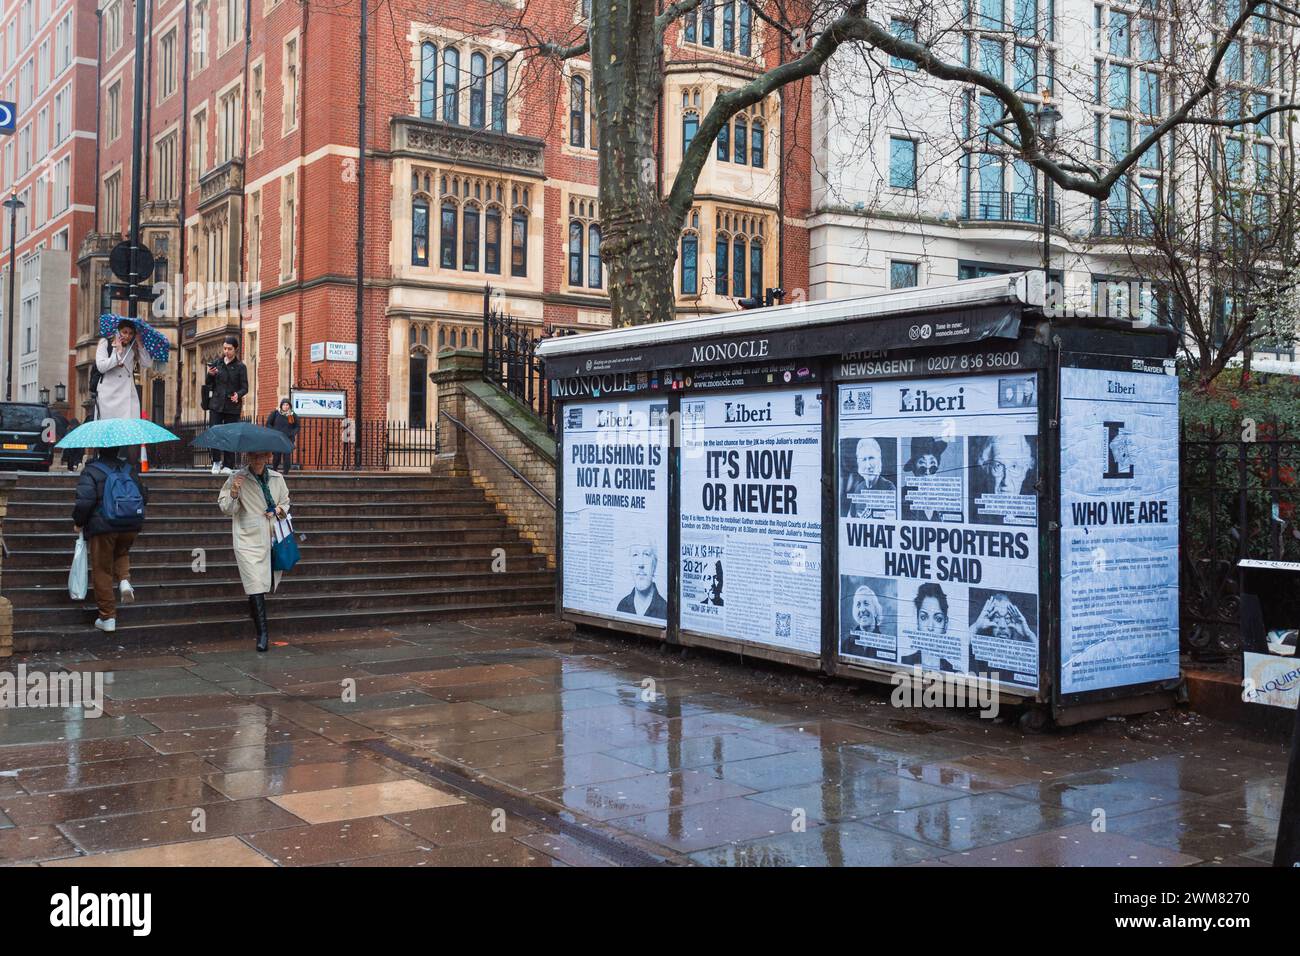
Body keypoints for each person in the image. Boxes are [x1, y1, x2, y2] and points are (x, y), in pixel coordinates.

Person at [218, 451, 289, 652]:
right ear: (248, 457)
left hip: (272, 536)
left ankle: (255, 612)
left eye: (261, 457)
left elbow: (285, 502)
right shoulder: (237, 477)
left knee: (261, 583)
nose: (257, 461)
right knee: (255, 582)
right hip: (247, 538)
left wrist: (276, 510)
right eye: (253, 457)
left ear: (267, 457)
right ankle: (263, 634)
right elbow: (226, 508)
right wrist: (233, 492)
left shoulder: (277, 478)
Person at [72, 446, 147, 633]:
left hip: (104, 526)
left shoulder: (91, 470)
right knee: (121, 552)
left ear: (98, 450)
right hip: (130, 525)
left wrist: (79, 522)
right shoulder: (129, 469)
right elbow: (144, 496)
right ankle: (123, 580)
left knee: (102, 569)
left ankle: (108, 617)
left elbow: (84, 501)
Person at [205, 335, 249, 474]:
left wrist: (238, 395)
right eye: (224, 348)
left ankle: (229, 464)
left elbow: (245, 387)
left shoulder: (241, 367)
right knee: (215, 432)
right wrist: (210, 375)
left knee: (230, 434)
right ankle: (216, 462)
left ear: (235, 349)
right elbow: (208, 384)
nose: (226, 351)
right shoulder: (217, 363)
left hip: (232, 406)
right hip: (216, 404)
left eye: (229, 349)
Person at [900, 582, 956, 671]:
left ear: (946, 625)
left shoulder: (953, 671)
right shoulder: (903, 663)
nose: (930, 627)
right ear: (917, 622)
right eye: (924, 617)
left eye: (938, 619)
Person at [842, 437, 896, 517]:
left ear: (879, 460)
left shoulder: (889, 488)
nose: (868, 466)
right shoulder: (858, 488)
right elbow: (849, 517)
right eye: (864, 460)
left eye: (871, 458)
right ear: (859, 464)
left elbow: (891, 520)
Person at [901, 436, 949, 522]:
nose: (927, 471)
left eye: (932, 464)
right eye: (922, 463)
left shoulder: (945, 499)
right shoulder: (902, 497)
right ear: (914, 468)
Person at [616, 543, 667, 619]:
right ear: (630, 564)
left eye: (646, 554)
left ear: (655, 564)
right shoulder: (622, 606)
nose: (641, 564)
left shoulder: (665, 610)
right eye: (635, 555)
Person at [265, 398, 299, 472]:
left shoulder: (292, 415)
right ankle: (274, 470)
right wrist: (274, 431)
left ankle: (286, 472)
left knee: (287, 456)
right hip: (277, 438)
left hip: (288, 438)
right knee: (277, 455)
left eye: (287, 405)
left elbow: (297, 426)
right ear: (281, 406)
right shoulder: (275, 413)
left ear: (289, 406)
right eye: (284, 405)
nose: (285, 406)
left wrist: (292, 433)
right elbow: (268, 423)